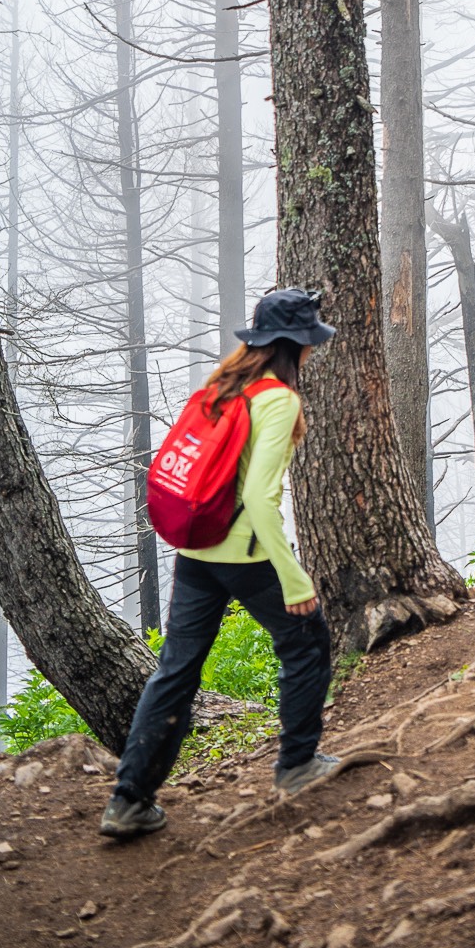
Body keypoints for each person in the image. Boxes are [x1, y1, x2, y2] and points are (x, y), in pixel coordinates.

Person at [100, 288, 338, 839]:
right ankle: (298, 764)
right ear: (295, 346)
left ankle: (129, 800)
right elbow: (259, 496)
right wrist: (293, 575)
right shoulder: (278, 399)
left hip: (195, 551)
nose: (311, 354)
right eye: (308, 344)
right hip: (244, 554)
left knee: (175, 673)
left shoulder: (224, 387)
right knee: (307, 642)